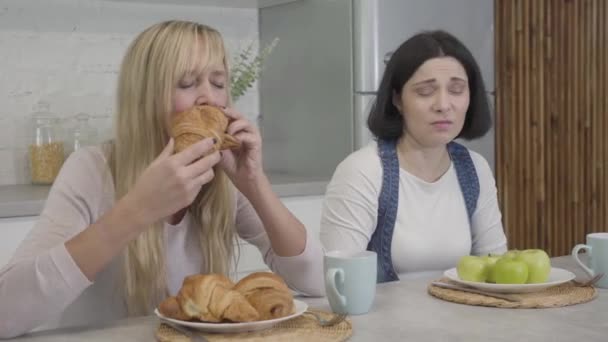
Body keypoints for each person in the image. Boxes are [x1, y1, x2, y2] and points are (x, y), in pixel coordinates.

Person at [0, 20, 323, 338]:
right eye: (186, 83)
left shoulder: (223, 174)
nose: (209, 98)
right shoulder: (91, 170)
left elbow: (316, 281)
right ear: (144, 97)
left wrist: (255, 184)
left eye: (218, 83)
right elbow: (6, 314)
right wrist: (137, 210)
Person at [320, 30, 507, 282]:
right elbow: (339, 281)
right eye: (425, 91)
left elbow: (497, 267)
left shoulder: (474, 168)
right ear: (398, 99)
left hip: (463, 317)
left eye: (456, 90)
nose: (443, 104)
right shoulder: (363, 170)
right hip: (382, 321)